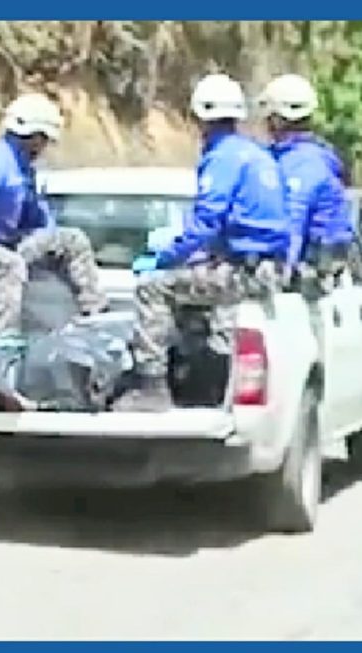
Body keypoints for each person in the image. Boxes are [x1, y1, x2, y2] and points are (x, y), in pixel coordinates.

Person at [114, 73, 289, 412]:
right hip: (265, 266)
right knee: (191, 289)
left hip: (243, 273)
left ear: (200, 118)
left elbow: (204, 224)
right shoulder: (256, 156)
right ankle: (201, 376)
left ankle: (151, 387)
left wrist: (164, 257)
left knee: (152, 288)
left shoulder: (222, 158)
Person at [0, 93, 109, 336]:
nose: (45, 147)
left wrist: (50, 236)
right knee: (11, 264)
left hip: (10, 242)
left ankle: (94, 312)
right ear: (32, 136)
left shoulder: (23, 168)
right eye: (43, 139)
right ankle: (5, 334)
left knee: (72, 239)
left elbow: (36, 215)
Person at [257, 74, 354, 281]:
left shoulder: (303, 163)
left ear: (276, 118)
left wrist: (281, 272)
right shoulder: (310, 157)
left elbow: (293, 219)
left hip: (312, 277)